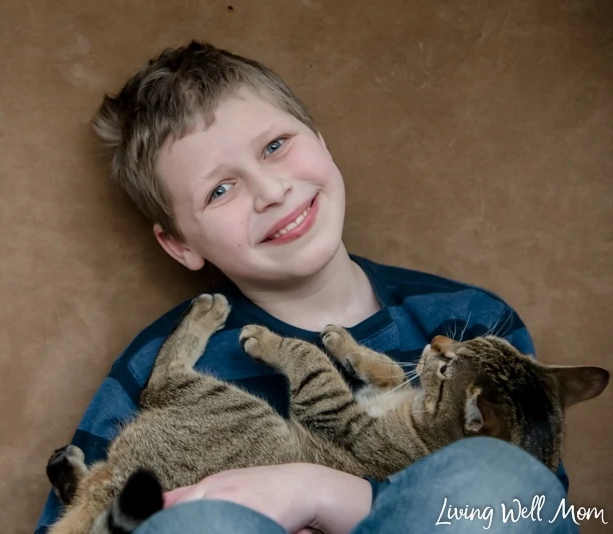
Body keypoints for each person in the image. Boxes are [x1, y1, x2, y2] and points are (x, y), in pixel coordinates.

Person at [34, 41, 571, 533]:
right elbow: (73, 518)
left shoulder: (467, 322)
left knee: (495, 483)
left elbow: (532, 510)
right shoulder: (158, 358)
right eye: (220, 189)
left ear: (320, 140)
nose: (271, 191)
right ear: (180, 245)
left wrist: (322, 493)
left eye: (275, 146)